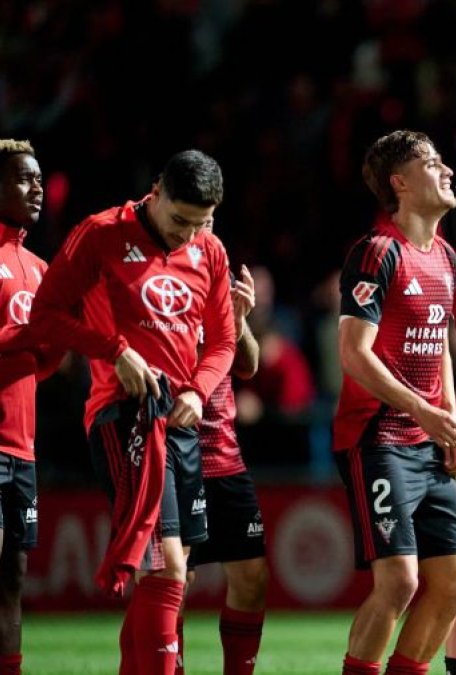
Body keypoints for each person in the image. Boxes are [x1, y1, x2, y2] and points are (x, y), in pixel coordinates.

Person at [27, 149, 235, 675]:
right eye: (181, 220)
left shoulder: (209, 250)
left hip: (182, 420)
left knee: (173, 577)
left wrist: (199, 390)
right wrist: (114, 350)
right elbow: (46, 314)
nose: (189, 235)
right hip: (125, 415)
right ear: (157, 189)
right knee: (166, 567)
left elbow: (224, 341)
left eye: (202, 223)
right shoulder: (100, 234)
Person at [333, 129, 456, 675]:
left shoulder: (444, 256)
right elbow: (354, 354)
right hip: (377, 438)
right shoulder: (376, 252)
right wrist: (422, 409)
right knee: (399, 580)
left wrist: (452, 422)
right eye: (433, 163)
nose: (447, 170)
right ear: (400, 183)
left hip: (429, 439)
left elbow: (438, 341)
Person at [179, 261, 267, 675]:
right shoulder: (164, 282)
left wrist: (238, 320)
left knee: (252, 577)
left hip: (226, 456)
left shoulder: (221, 278)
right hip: (175, 451)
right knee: (175, 582)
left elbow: (248, 364)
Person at [0, 139, 50, 675]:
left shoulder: (39, 268)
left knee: (13, 576)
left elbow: (40, 364)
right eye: (21, 178)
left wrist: (57, 345)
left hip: (23, 448)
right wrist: (29, 333)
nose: (35, 188)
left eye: (37, 178)